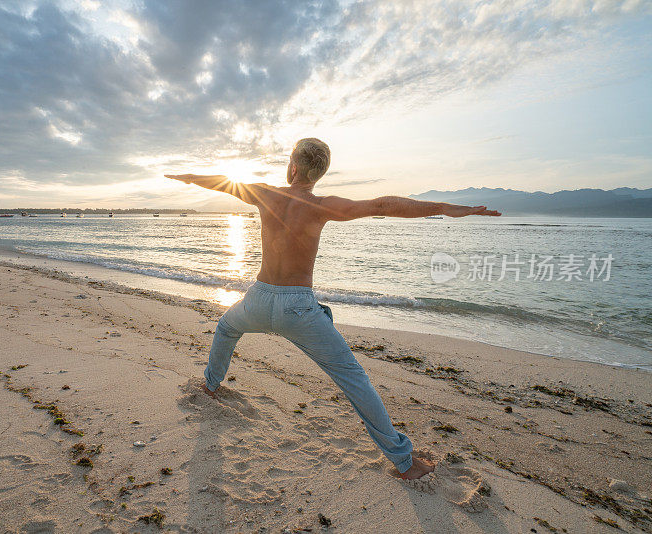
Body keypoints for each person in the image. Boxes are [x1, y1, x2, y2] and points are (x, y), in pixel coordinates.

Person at [165, 138, 500, 480]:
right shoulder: (322, 204)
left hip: (258, 299)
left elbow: (221, 181)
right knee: (352, 378)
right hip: (298, 308)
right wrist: (446, 206)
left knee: (227, 328)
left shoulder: (266, 194)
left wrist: (187, 176)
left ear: (293, 167)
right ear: (318, 173)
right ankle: (404, 461)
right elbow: (383, 203)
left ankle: (211, 385)